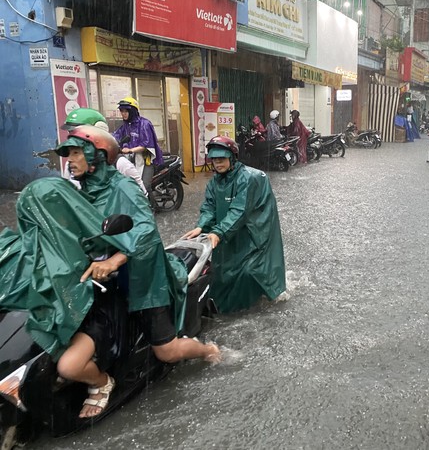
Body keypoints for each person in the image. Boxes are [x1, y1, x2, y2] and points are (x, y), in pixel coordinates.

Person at [53, 125, 221, 417]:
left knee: (165, 351)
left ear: (98, 155)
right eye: (68, 154)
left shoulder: (123, 187)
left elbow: (144, 231)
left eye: (77, 153)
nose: (70, 160)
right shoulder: (83, 191)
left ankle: (208, 351)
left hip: (143, 276)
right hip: (102, 280)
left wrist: (114, 260)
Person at [183, 136, 286, 313]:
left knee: (250, 271)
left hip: (254, 230)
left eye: (222, 159)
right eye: (214, 160)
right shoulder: (214, 182)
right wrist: (202, 226)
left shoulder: (248, 178)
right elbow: (209, 207)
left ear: (232, 157)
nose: (218, 163)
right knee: (222, 270)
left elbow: (240, 210)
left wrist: (219, 231)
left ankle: (250, 306)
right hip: (229, 231)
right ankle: (222, 307)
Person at [61, 107, 147, 196]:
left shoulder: (120, 164)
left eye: (78, 134)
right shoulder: (70, 165)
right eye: (70, 133)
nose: (73, 139)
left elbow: (142, 198)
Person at [112, 97, 164, 192]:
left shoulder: (144, 124)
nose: (123, 114)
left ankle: (150, 206)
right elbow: (117, 135)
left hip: (146, 160)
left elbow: (146, 145)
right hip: (131, 159)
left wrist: (131, 150)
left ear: (132, 111)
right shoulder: (126, 125)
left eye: (126, 111)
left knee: (144, 186)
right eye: (121, 111)